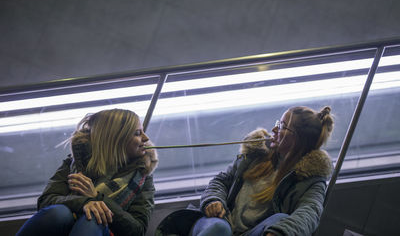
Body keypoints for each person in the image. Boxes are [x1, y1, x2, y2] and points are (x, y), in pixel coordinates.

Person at [156, 106, 334, 236]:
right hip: (220, 222)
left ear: (297, 138)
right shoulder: (256, 154)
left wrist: (282, 232)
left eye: (281, 126)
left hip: (254, 233)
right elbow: (221, 181)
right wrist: (214, 200)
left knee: (279, 219)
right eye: (278, 123)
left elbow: (310, 212)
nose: (274, 129)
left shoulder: (311, 180)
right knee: (219, 230)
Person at [16, 109, 158, 236]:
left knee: (94, 219)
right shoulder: (75, 163)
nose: (146, 138)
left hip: (105, 231)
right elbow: (46, 201)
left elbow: (137, 230)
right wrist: (87, 201)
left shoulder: (142, 176)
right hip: (66, 226)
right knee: (58, 213)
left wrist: (98, 198)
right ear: (116, 139)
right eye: (138, 133)